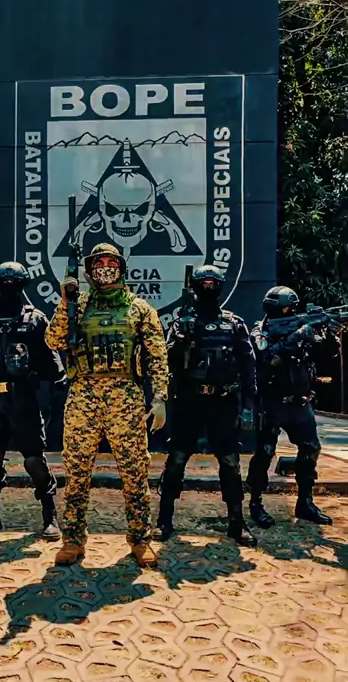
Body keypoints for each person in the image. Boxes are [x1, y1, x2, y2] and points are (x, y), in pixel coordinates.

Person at [45, 243, 168, 568]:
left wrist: (159, 399)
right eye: (98, 263)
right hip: (83, 395)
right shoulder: (78, 305)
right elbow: (53, 340)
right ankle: (73, 540)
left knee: (135, 471)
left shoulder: (140, 309)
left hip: (125, 397)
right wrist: (65, 301)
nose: (104, 267)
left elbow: (157, 356)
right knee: (76, 471)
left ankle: (140, 540)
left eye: (110, 262)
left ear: (121, 267)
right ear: (89, 270)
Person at [154, 265, 257, 546]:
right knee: (176, 460)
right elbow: (164, 361)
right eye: (204, 283)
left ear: (220, 285)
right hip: (189, 402)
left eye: (213, 282)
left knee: (230, 462)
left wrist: (248, 405)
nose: (209, 287)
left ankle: (236, 522)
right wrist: (181, 341)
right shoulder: (181, 322)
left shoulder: (234, 323)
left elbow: (248, 367)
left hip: (223, 403)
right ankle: (164, 520)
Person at [0, 261, 66, 541]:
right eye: (3, 283)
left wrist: (50, 392)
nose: (8, 288)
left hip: (22, 400)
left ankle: (49, 515)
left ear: (23, 286)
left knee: (34, 461)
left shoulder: (34, 320)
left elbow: (53, 367)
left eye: (14, 283)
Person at [247, 285, 339, 527]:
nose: (291, 312)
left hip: (300, 402)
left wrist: (329, 334)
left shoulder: (301, 327)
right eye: (288, 308)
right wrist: (298, 335)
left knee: (310, 449)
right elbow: (268, 357)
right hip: (272, 403)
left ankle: (305, 502)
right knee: (265, 453)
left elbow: (327, 355)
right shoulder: (260, 331)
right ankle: (255, 503)